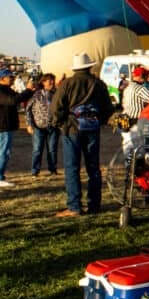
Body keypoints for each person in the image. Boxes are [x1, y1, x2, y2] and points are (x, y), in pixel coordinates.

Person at [54, 52, 115, 218]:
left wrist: (60, 123)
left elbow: (56, 107)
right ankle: (94, 204)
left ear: (75, 68)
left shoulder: (67, 84)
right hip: (92, 129)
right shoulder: (99, 84)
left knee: (72, 168)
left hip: (72, 129)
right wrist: (98, 121)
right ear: (89, 66)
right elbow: (108, 109)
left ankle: (74, 206)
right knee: (93, 167)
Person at [26, 72, 59, 176]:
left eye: (53, 80)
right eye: (49, 80)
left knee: (52, 150)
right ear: (43, 82)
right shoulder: (36, 94)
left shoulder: (57, 94)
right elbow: (28, 109)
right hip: (38, 127)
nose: (52, 82)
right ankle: (35, 171)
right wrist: (29, 124)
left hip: (53, 127)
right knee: (37, 150)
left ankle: (52, 170)